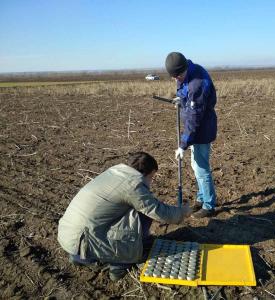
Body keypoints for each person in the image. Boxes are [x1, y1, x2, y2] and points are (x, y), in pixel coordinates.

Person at [57, 152, 192, 281]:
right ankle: (119, 264)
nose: (151, 182)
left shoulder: (114, 172)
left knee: (131, 209)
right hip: (84, 243)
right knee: (143, 215)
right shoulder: (133, 185)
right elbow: (158, 211)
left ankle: (80, 257)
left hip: (68, 237)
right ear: (145, 173)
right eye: (151, 178)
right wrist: (182, 212)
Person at [165, 52, 218, 218]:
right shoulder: (188, 71)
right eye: (173, 77)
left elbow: (194, 120)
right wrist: (180, 99)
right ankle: (201, 198)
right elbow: (184, 90)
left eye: (177, 76)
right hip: (196, 127)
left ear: (183, 70)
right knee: (196, 166)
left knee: (201, 168)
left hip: (201, 130)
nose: (176, 79)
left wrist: (183, 145)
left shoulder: (198, 85)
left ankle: (209, 206)